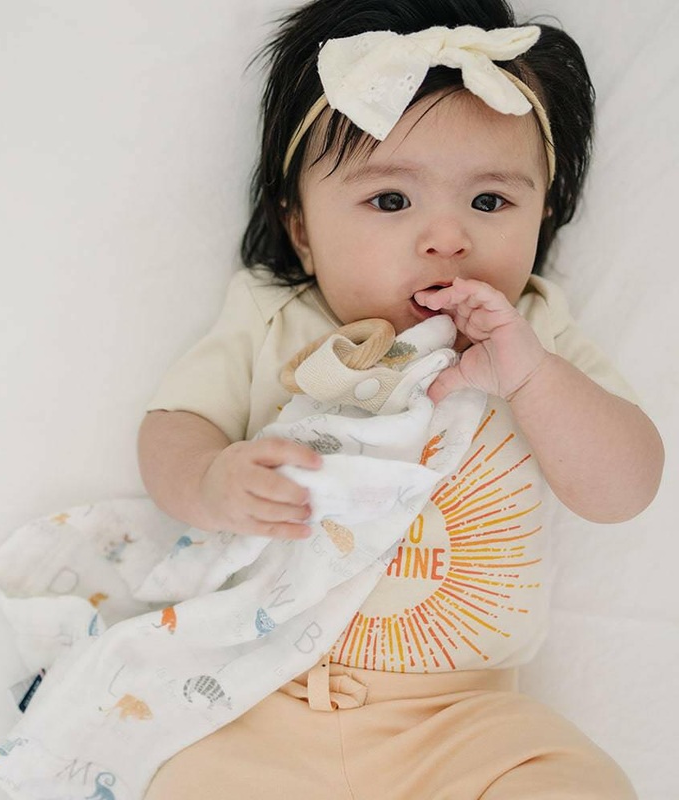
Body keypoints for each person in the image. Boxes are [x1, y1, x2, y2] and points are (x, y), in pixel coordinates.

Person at [137, 0, 664, 797]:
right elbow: (174, 427)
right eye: (390, 201)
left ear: (545, 212)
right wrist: (210, 481)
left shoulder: (537, 334)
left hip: (466, 721)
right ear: (301, 228)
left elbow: (625, 488)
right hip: (256, 702)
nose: (448, 238)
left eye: (490, 202)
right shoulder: (272, 318)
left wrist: (533, 378)